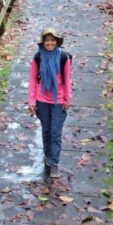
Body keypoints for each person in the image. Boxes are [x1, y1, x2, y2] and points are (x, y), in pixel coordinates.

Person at [27, 27, 72, 179]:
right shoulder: (38, 58)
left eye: (53, 40)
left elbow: (67, 80)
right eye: (47, 40)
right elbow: (33, 80)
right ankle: (47, 156)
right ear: (43, 42)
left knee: (55, 132)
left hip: (58, 100)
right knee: (46, 130)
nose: (50, 43)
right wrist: (31, 101)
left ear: (57, 42)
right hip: (41, 99)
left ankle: (54, 163)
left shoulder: (64, 58)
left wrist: (67, 99)